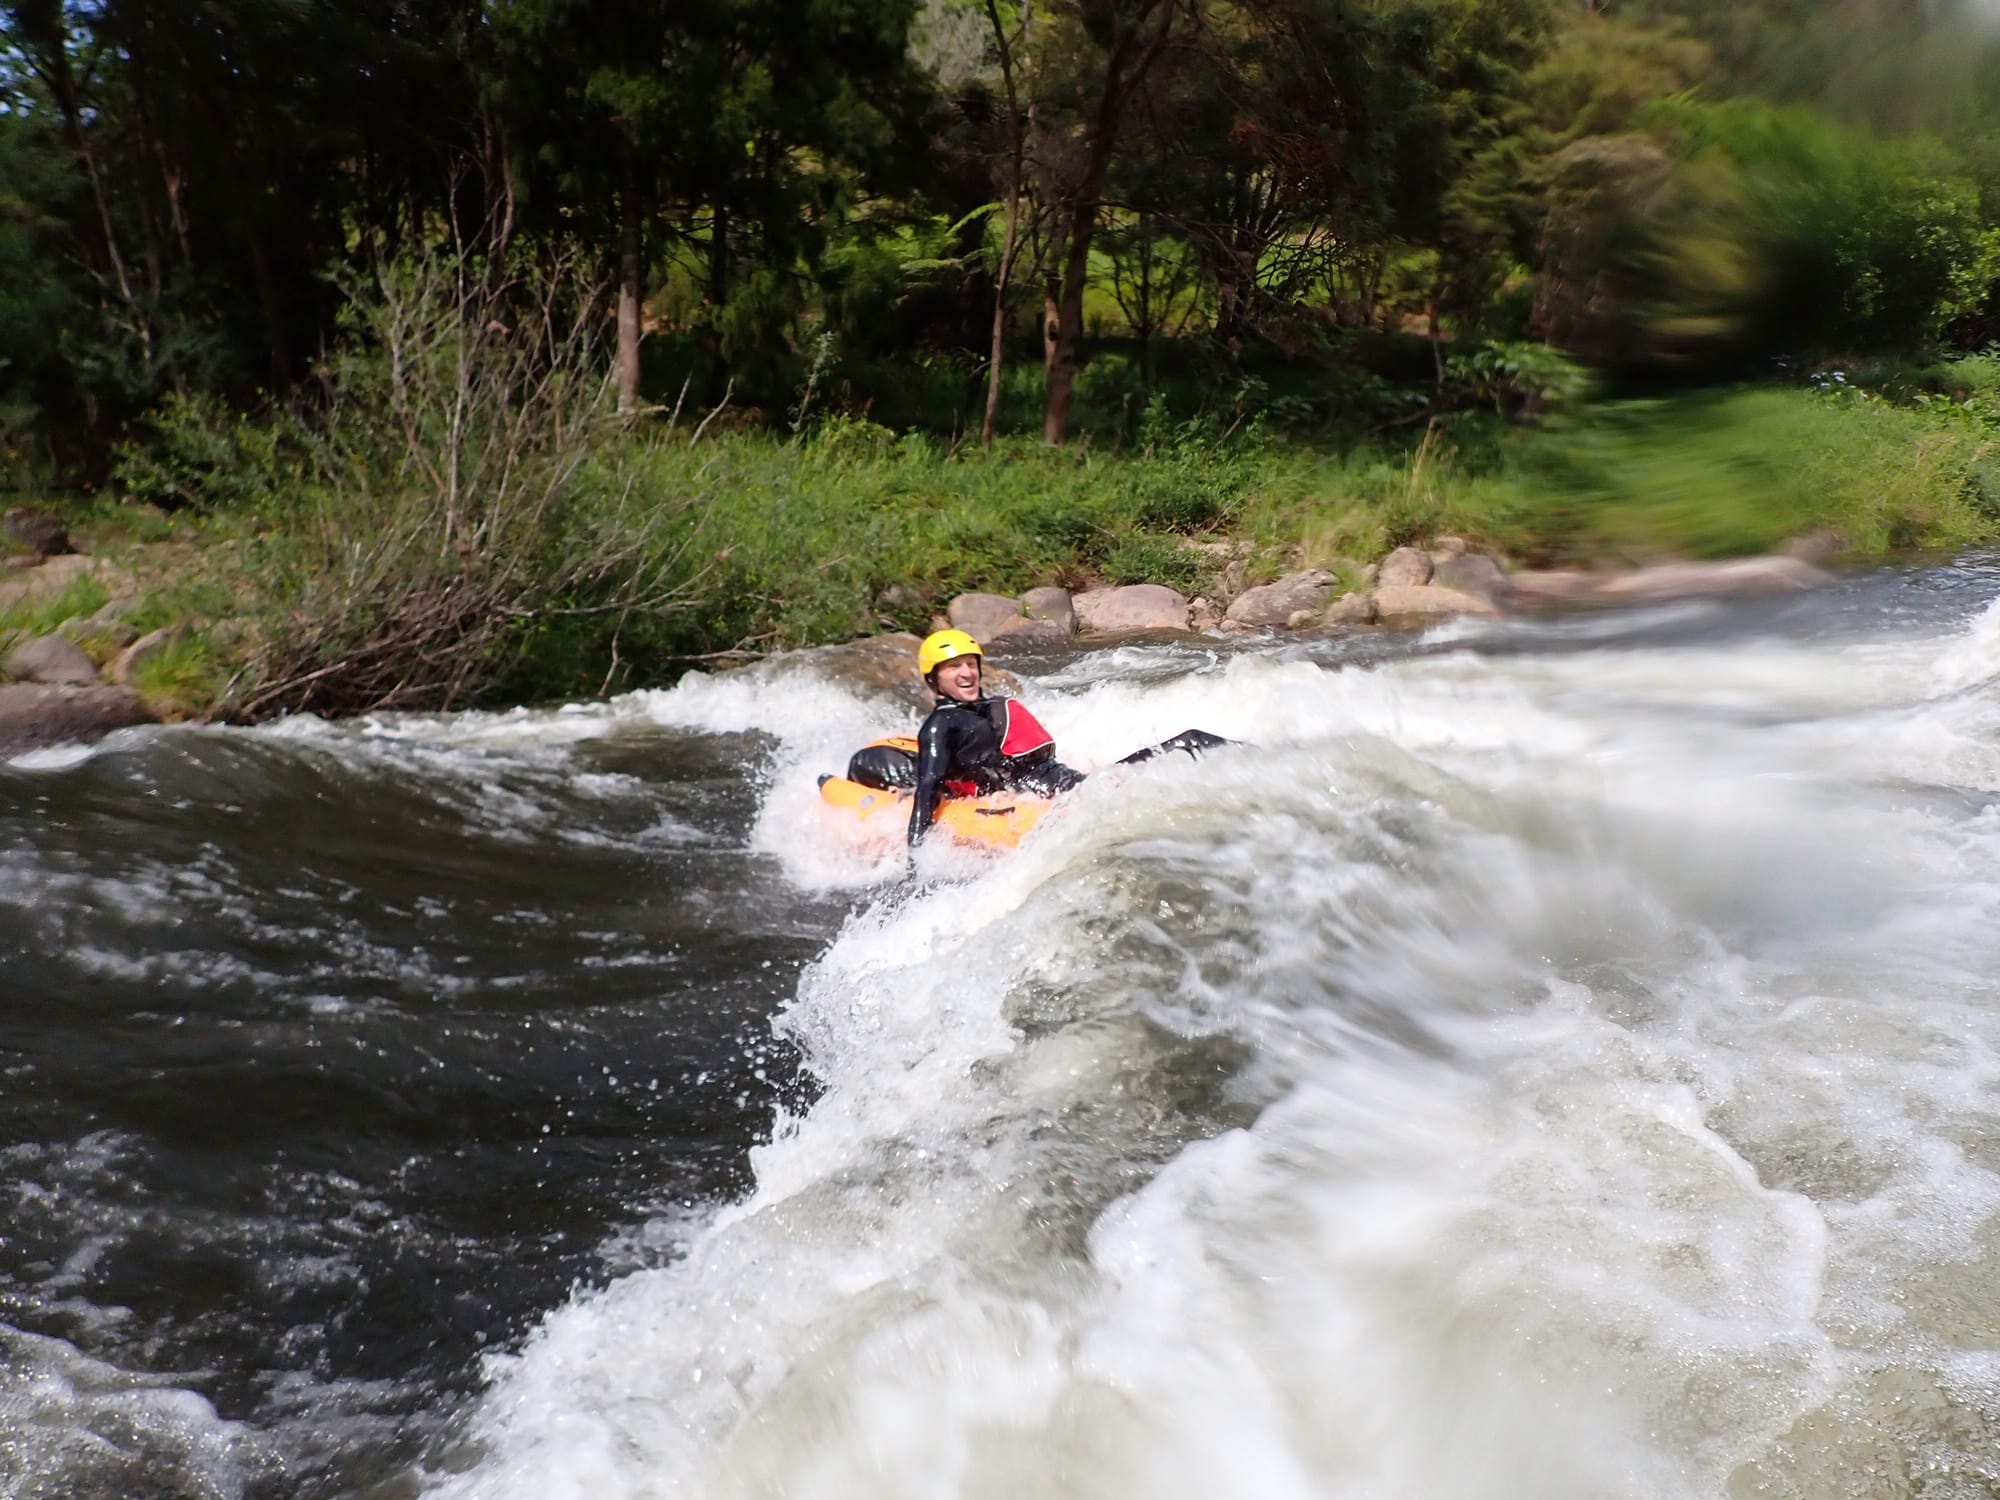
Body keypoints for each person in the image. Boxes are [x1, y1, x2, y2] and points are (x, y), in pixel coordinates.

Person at [880, 629, 1227, 848]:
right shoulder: (940, 725)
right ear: (934, 678)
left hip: (1064, 783)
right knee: (1189, 742)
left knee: (1190, 741)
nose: (967, 672)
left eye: (971, 663)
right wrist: (916, 860)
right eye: (954, 667)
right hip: (1053, 794)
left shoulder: (985, 709)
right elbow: (928, 787)